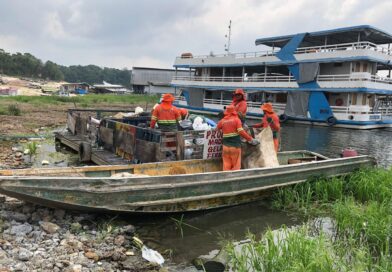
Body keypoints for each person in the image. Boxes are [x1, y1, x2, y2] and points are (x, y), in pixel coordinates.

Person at [217, 105, 259, 171]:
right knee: (236, 167)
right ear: (234, 112)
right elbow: (241, 131)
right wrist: (251, 140)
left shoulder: (222, 121)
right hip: (235, 147)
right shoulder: (236, 120)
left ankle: (226, 179)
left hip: (225, 148)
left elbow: (216, 129)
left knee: (226, 166)